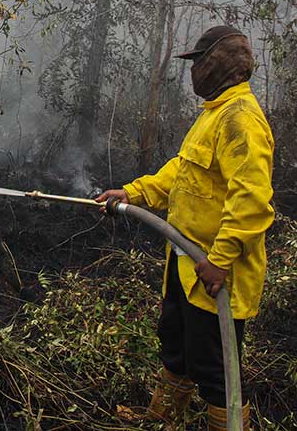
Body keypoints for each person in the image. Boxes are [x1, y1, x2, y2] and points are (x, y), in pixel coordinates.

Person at [96, 25, 274, 431]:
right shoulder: (215, 114)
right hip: (186, 267)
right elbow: (182, 172)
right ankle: (162, 420)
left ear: (217, 64)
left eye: (198, 62)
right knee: (176, 348)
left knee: (215, 370)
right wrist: (133, 193)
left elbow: (252, 201)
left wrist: (220, 261)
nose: (193, 71)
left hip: (213, 274)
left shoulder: (241, 119)